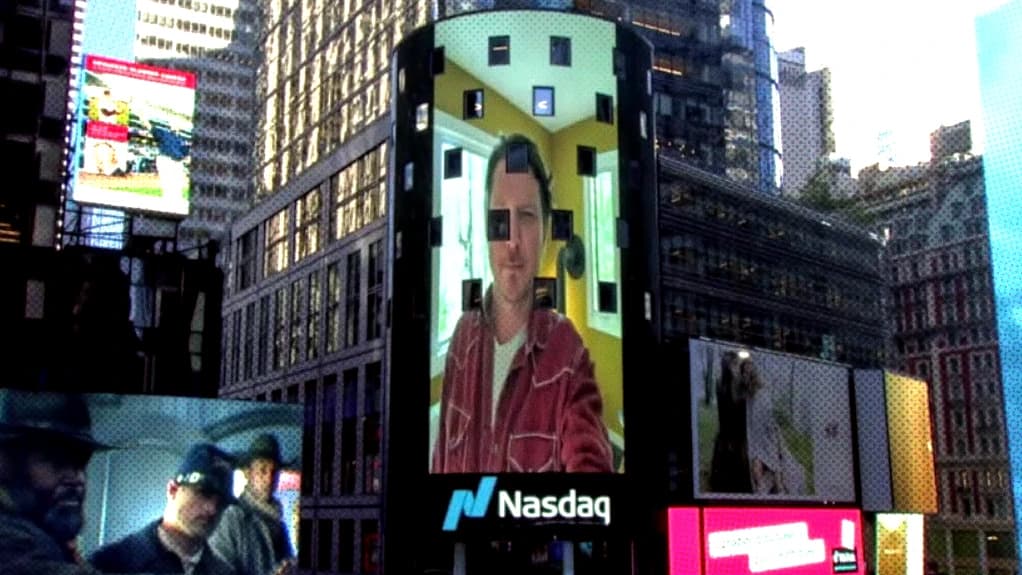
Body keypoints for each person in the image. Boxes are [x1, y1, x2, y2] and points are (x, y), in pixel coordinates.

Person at [432, 134, 613, 473]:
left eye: (527, 216)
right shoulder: (461, 336)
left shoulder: (569, 355)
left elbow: (590, 465)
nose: (512, 241)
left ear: (545, 230)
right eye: (500, 217)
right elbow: (441, 457)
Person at [0, 389, 116, 575]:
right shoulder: (7, 541)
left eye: (80, 463)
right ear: (6, 463)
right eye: (56, 461)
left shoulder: (49, 540)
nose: (76, 478)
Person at [89, 443, 238, 575]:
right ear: (173, 490)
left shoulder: (224, 572)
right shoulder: (113, 563)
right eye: (203, 493)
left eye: (222, 503)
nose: (212, 509)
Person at [209, 434, 295, 575]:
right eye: (262, 470)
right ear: (248, 473)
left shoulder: (278, 522)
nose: (269, 478)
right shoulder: (231, 518)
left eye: (275, 472)